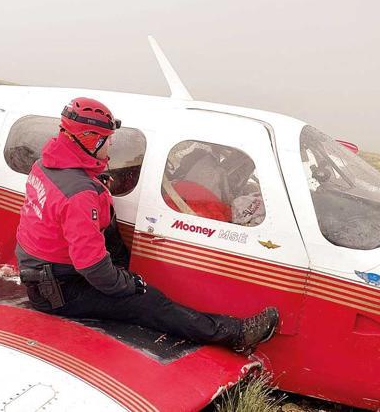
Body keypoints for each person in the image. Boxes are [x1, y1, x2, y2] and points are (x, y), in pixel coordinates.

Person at [15, 97, 278, 353]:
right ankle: (235, 334)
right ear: (92, 142)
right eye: (107, 141)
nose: (110, 148)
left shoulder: (46, 166)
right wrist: (130, 286)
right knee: (149, 303)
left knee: (115, 242)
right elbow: (92, 266)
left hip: (45, 273)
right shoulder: (81, 194)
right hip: (60, 290)